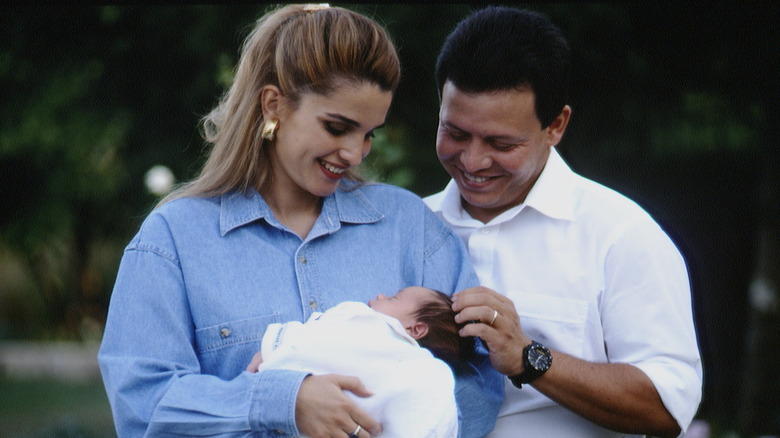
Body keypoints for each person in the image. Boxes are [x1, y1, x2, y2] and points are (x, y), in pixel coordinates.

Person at [98, 4, 502, 438]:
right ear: (275, 105)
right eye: (336, 127)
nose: (354, 153)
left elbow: (481, 381)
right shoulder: (172, 241)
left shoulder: (410, 227)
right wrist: (280, 402)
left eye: (368, 134)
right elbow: (142, 407)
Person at [424, 6, 703, 438]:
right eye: (455, 133)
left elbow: (667, 405)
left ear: (556, 125)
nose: (473, 160)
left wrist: (529, 357)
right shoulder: (407, 225)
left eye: (501, 143)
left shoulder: (621, 235)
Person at [245, 286, 475, 438]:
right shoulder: (437, 378)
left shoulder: (363, 320)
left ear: (415, 329)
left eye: (394, 297)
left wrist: (274, 346)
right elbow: (434, 422)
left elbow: (317, 338)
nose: (381, 296)